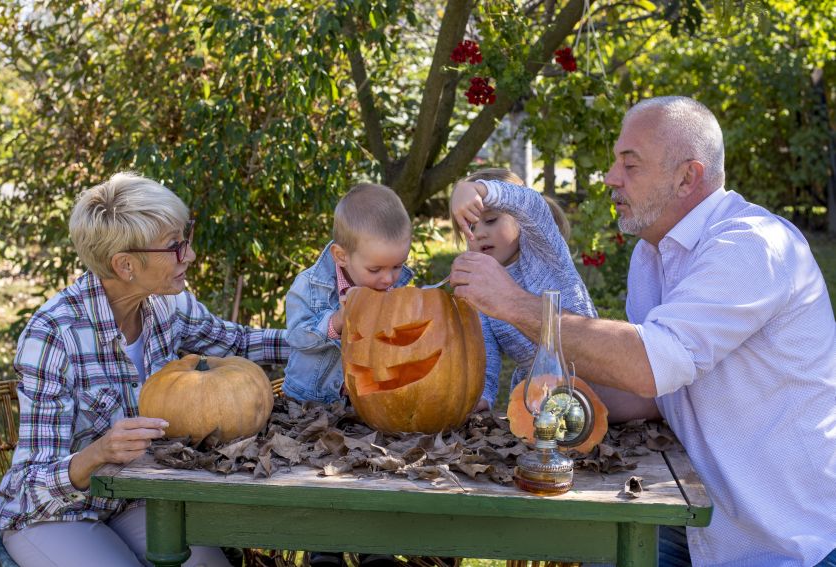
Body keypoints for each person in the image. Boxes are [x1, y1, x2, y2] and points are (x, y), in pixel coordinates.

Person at [449, 96, 836, 566]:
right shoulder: (650, 256)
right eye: (616, 162)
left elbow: (652, 365)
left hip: (784, 544)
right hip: (699, 522)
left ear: (687, 177)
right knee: (584, 547)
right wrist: (546, 405)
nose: (610, 178)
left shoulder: (751, 246)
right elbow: (649, 396)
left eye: (629, 165)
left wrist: (513, 303)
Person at [0, 172, 290, 567]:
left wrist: (333, 335)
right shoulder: (54, 336)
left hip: (132, 499)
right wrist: (97, 454)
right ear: (126, 265)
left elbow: (237, 343)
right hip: (56, 515)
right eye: (174, 246)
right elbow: (28, 485)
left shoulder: (167, 305)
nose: (189, 255)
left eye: (185, 238)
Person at [283, 182, 413, 567]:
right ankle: (324, 550)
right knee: (322, 478)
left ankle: (376, 549)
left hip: (369, 408)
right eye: (377, 269)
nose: (389, 278)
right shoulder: (310, 286)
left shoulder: (394, 286)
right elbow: (297, 336)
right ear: (341, 256)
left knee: (376, 472)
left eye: (397, 266)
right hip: (312, 407)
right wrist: (338, 321)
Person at [449, 168, 596, 411]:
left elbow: (532, 205)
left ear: (518, 218)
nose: (480, 233)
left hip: (594, 374)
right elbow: (484, 351)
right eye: (470, 228)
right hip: (541, 398)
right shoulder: (480, 286)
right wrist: (481, 397)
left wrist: (477, 190)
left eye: (491, 220)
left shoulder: (544, 250)